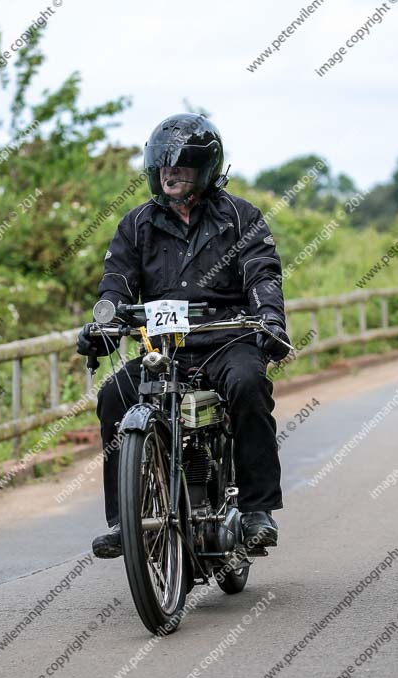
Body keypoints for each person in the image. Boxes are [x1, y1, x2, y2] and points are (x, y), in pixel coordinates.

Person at [77, 113, 290, 559]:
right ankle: (125, 522)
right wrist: (105, 325)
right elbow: (116, 282)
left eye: (182, 166)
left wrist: (269, 319)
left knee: (248, 385)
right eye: (163, 166)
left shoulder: (240, 217)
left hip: (227, 340)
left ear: (207, 170)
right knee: (115, 394)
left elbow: (262, 274)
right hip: (165, 349)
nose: (170, 173)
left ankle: (256, 510)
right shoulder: (136, 224)